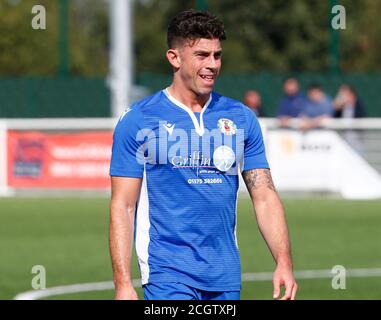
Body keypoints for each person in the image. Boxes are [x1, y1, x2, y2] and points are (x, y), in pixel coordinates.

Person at [109, 10, 297, 301]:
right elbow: (123, 206)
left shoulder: (242, 118)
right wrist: (123, 283)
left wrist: (283, 262)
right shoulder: (138, 119)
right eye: (201, 55)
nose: (212, 65)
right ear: (174, 57)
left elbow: (265, 196)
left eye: (217, 55)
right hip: (166, 273)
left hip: (225, 274)